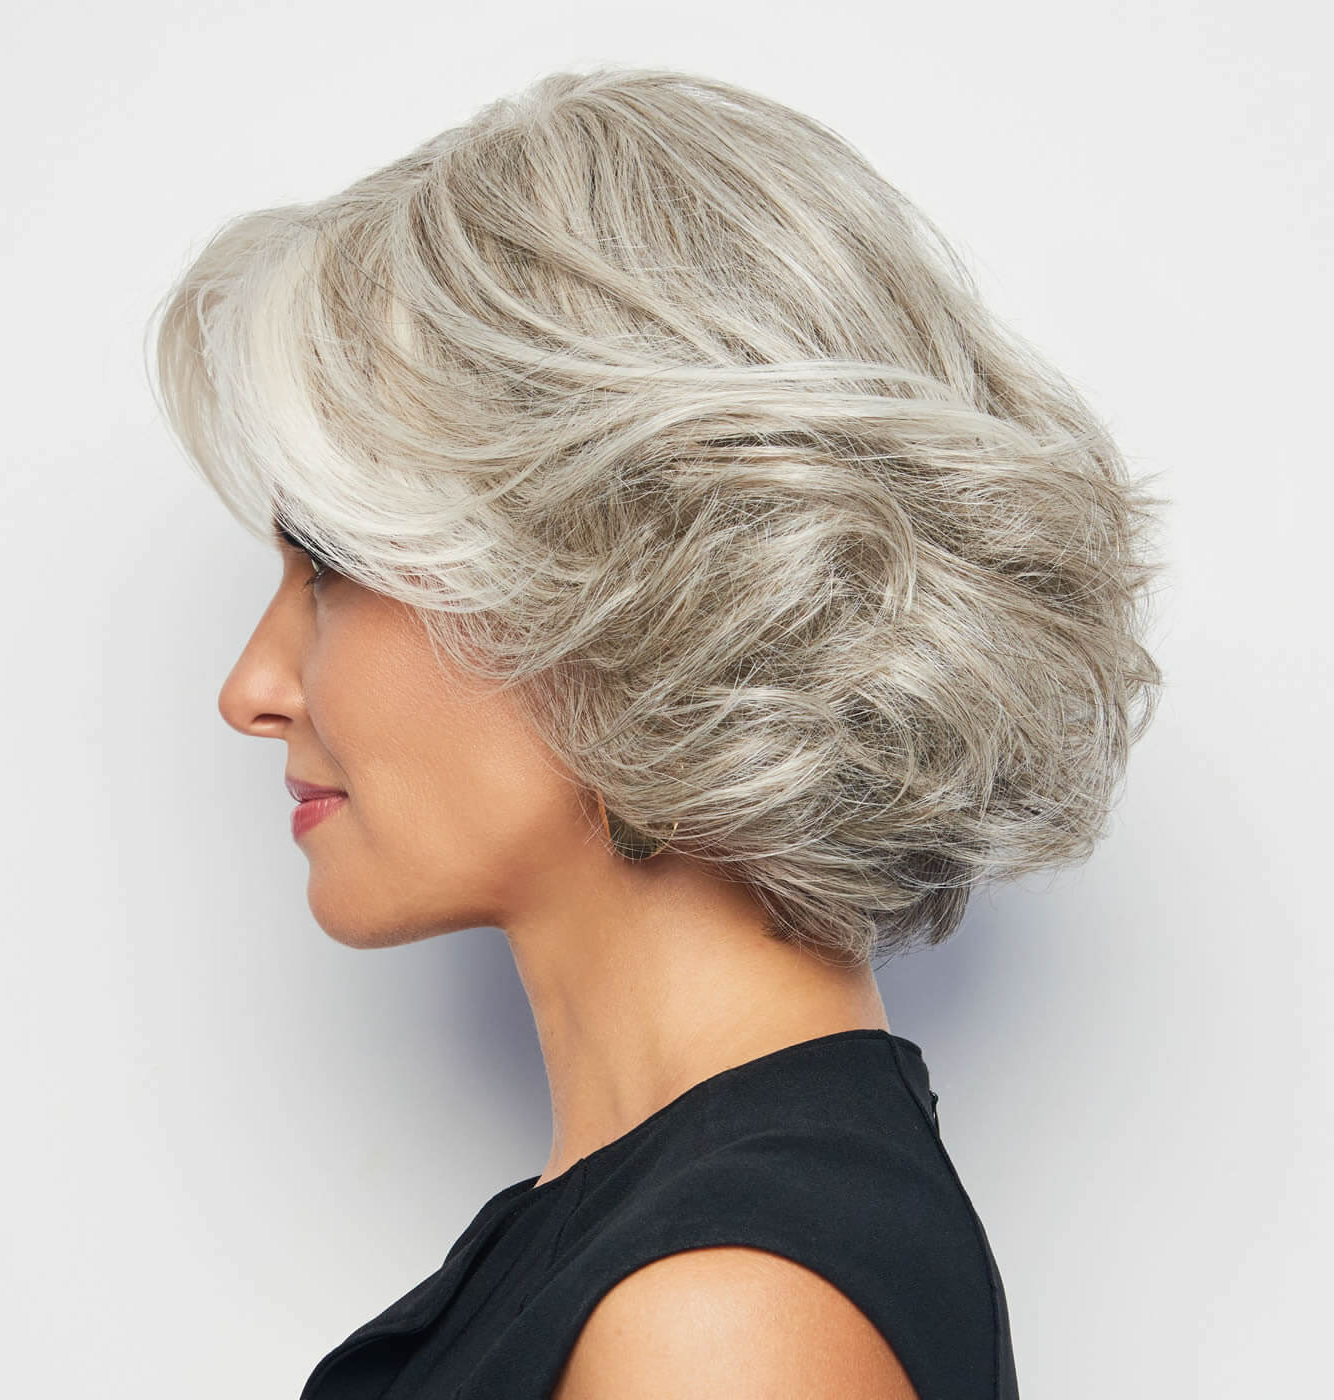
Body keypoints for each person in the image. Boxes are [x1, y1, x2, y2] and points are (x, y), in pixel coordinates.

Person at [148, 65, 1164, 1400]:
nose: (252, 688)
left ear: (624, 586)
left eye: (332, 567)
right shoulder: (658, 1250)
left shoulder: (723, 1319)